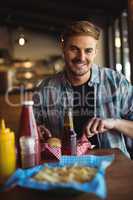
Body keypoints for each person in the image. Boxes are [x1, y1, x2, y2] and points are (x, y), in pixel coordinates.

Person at [33, 20, 133, 158]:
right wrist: (37, 132)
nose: (81, 57)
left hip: (113, 167)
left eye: (88, 50)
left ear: (95, 52)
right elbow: (29, 135)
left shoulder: (116, 82)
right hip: (64, 170)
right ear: (63, 47)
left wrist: (114, 123)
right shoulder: (45, 89)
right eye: (74, 49)